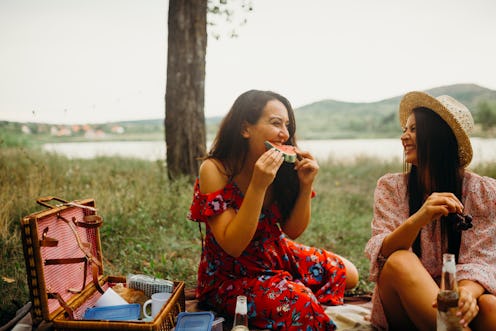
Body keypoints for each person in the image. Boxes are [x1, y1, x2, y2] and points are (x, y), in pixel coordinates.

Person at [188, 89, 359, 330]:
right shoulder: (215, 169)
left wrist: (305, 184)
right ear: (245, 128)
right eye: (275, 123)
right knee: (300, 301)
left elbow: (294, 230)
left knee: (348, 274)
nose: (285, 134)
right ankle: (282, 290)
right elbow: (233, 245)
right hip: (230, 276)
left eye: (287, 125)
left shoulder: (280, 164)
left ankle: (279, 285)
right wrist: (258, 185)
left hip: (274, 252)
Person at [365, 91, 496, 330]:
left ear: (439, 136)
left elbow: (484, 259)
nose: (404, 136)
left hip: (455, 297)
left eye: (414, 129)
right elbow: (382, 253)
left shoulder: (483, 191)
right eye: (405, 129)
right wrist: (420, 217)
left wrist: (466, 293)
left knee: (490, 306)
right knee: (400, 260)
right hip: (401, 303)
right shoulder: (391, 187)